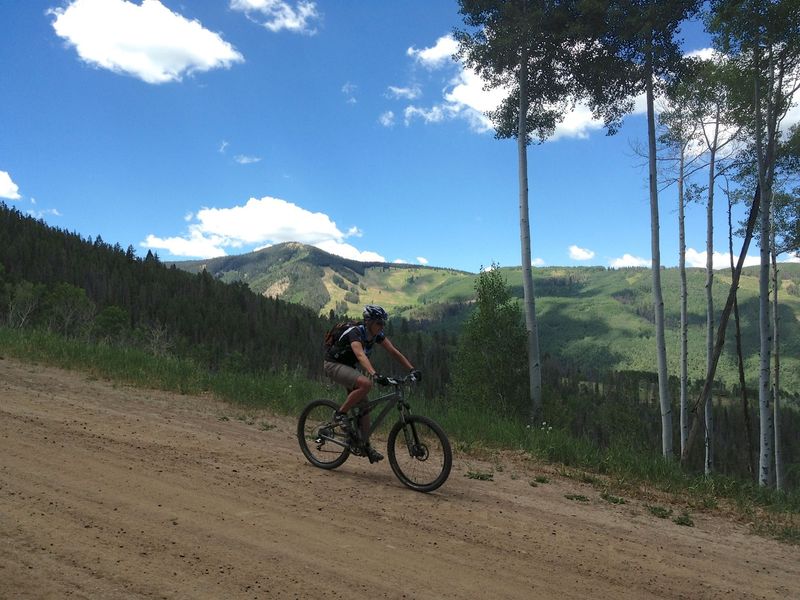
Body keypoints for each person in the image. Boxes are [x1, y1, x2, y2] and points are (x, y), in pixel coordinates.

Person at [323, 304, 420, 463]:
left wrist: (412, 369)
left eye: (383, 323)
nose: (381, 326)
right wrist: (374, 374)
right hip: (332, 365)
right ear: (368, 322)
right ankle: (340, 414)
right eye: (379, 323)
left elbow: (394, 352)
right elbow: (360, 355)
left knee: (364, 408)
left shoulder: (377, 335)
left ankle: (364, 445)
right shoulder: (355, 333)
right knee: (366, 384)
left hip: (348, 367)